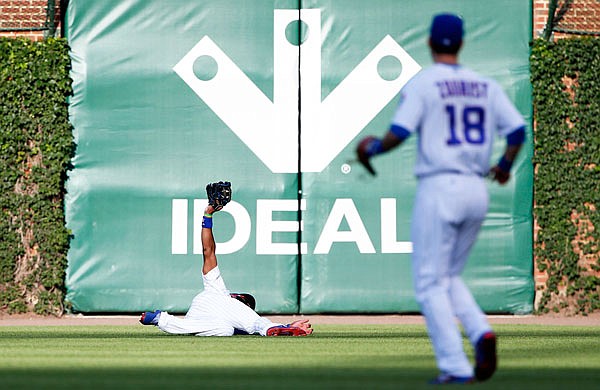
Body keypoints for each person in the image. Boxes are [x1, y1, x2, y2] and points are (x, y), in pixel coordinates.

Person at [356, 13, 526, 384]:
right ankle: (481, 332)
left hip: (440, 186)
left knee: (429, 283)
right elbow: (516, 131)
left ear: (431, 43)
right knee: (447, 276)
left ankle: (455, 366)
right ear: (461, 43)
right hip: (476, 189)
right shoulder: (484, 85)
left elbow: (399, 132)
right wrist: (503, 166)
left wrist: (372, 147)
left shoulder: (426, 82)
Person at [139, 189, 313, 337]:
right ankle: (160, 319)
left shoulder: (213, 296)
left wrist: (208, 215)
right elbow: (208, 251)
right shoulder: (219, 291)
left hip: (201, 320)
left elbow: (208, 251)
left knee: (226, 330)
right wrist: (286, 326)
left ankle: (159, 318)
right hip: (210, 309)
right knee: (255, 325)